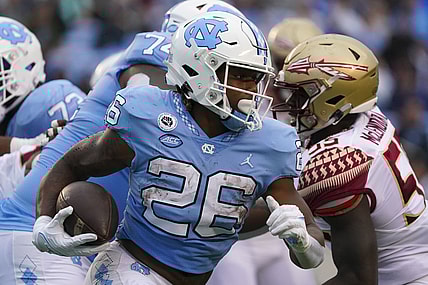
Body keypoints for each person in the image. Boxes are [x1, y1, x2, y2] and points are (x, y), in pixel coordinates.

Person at [33, 11, 325, 285]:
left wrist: (302, 242)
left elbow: (312, 246)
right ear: (198, 70)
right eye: (239, 75)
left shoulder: (269, 143)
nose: (251, 88)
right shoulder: (150, 117)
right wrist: (44, 221)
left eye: (256, 78)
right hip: (131, 269)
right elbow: (74, 163)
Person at [0, 1, 249, 284]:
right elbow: (150, 111)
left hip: (88, 247)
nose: (238, 83)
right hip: (38, 228)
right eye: (233, 68)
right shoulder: (155, 61)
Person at [272, 33, 428, 285]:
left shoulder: (336, 165)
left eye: (302, 94)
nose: (291, 103)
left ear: (334, 99)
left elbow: (357, 279)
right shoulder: (366, 114)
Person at [207, 17, 324, 285]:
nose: (291, 75)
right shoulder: (239, 101)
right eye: (284, 64)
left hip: (285, 230)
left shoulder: (322, 112)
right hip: (234, 234)